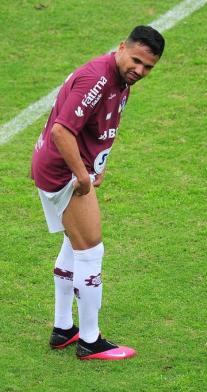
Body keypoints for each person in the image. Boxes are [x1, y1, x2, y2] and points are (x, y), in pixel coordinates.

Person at [31, 26, 165, 361]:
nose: (140, 70)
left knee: (73, 243)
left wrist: (97, 164)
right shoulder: (98, 79)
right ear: (122, 48)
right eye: (136, 61)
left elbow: (99, 127)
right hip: (64, 173)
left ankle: (63, 328)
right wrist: (82, 176)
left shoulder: (120, 79)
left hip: (63, 169)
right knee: (91, 252)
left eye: (148, 67)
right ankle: (90, 340)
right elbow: (63, 131)